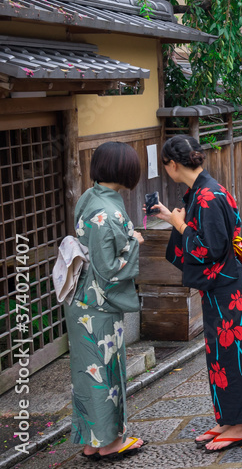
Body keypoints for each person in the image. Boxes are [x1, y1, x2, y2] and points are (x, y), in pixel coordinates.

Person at [154, 135, 242, 452]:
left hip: (228, 286)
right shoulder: (201, 191)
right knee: (220, 355)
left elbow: (211, 247)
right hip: (221, 285)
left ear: (173, 164)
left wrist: (180, 227)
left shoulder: (208, 195)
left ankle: (241, 425)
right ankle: (228, 420)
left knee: (236, 353)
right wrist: (171, 217)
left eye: (166, 166)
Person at [67, 142, 145, 460]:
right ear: (124, 170)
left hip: (82, 299)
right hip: (97, 304)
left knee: (88, 373)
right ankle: (109, 444)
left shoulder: (91, 196)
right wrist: (134, 243)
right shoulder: (107, 212)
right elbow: (109, 268)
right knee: (104, 373)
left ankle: (92, 442)